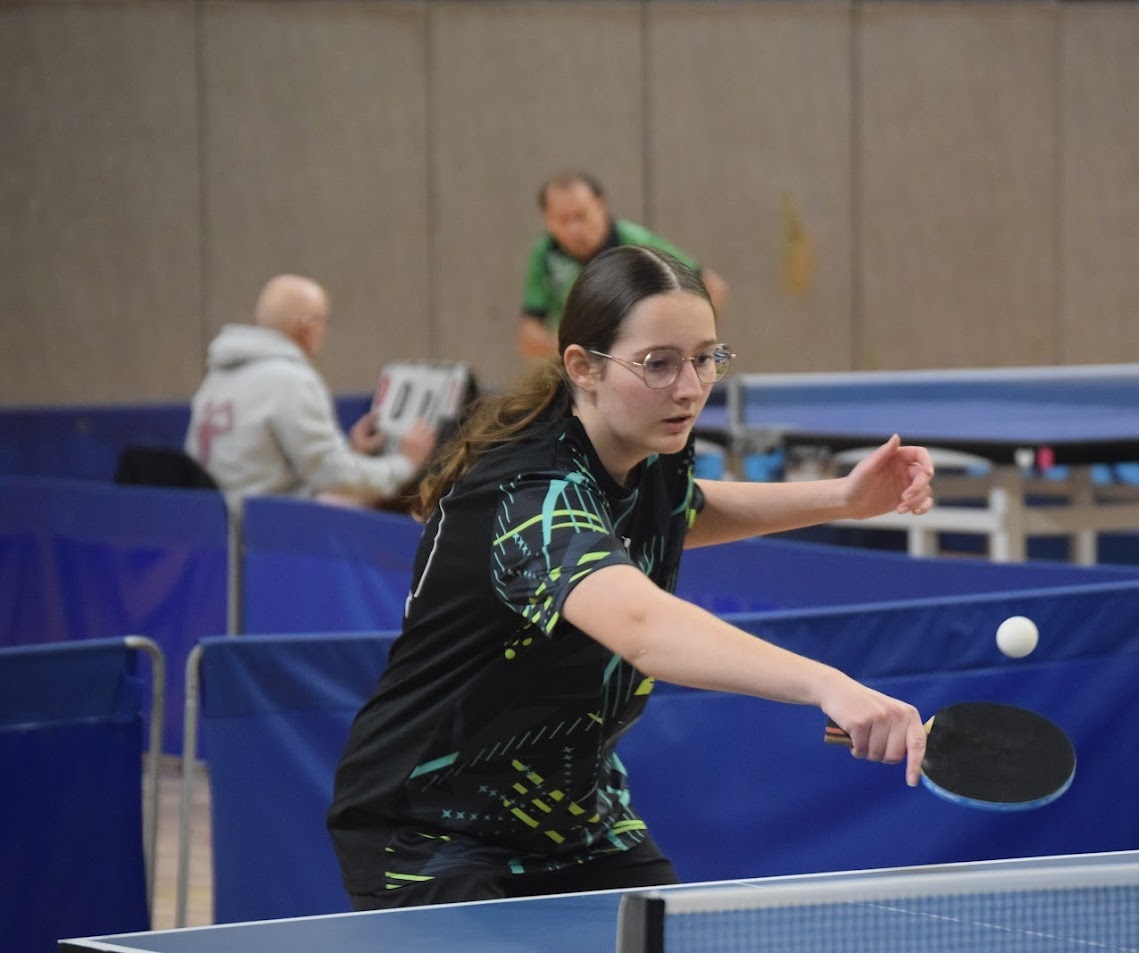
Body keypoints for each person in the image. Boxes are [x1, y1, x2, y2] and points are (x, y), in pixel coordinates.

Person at [329, 245, 933, 908]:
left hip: (575, 815)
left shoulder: (647, 447)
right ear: (583, 367)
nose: (690, 388)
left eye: (705, 357)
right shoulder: (530, 493)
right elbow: (643, 628)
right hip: (434, 827)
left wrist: (841, 499)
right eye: (658, 363)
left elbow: (677, 511)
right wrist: (827, 684)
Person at [185, 274, 438, 510]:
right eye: (324, 321)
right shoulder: (291, 379)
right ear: (307, 327)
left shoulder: (218, 376)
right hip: (266, 528)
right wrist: (404, 464)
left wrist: (353, 453)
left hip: (216, 522)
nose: (324, 331)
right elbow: (331, 475)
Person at [517, 171, 730, 359]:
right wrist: (568, 350)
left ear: (600, 206)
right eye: (562, 220)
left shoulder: (635, 241)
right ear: (546, 219)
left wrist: (686, 345)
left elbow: (712, 286)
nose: (574, 229)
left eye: (581, 216)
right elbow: (529, 332)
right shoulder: (544, 252)